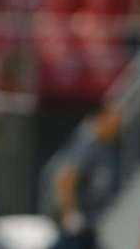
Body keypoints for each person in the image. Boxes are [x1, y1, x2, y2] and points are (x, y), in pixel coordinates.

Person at [49, 107, 121, 249]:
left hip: (89, 225)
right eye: (114, 123)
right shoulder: (88, 144)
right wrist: (70, 214)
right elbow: (65, 178)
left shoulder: (105, 147)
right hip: (77, 225)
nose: (117, 128)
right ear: (102, 119)